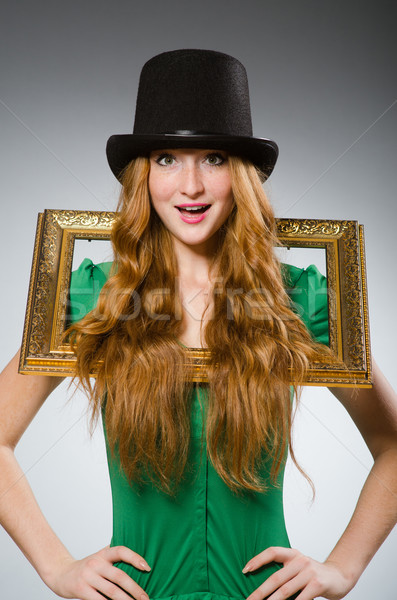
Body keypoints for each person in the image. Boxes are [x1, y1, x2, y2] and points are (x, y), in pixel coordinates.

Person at [0, 49, 396, 600]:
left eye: (212, 158)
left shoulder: (298, 298)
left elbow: (393, 445)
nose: (189, 185)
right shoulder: (100, 294)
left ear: (241, 175)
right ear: (143, 175)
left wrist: (343, 568)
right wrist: (57, 567)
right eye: (166, 158)